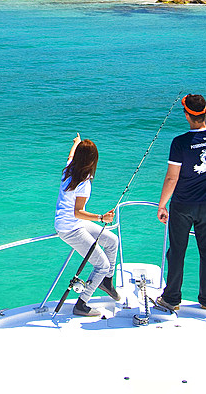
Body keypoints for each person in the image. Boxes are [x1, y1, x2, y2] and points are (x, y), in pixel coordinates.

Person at [155, 95, 206, 312]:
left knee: (177, 251)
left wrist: (162, 205)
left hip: (183, 206)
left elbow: (171, 178)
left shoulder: (180, 143)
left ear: (186, 116)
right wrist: (198, 105)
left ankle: (172, 298)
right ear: (204, 112)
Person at [54, 133, 121, 317]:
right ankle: (82, 303)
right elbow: (78, 211)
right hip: (70, 228)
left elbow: (70, 156)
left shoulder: (69, 169)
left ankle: (106, 282)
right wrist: (101, 218)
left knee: (112, 241)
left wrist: (76, 143)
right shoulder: (83, 183)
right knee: (102, 265)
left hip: (73, 222)